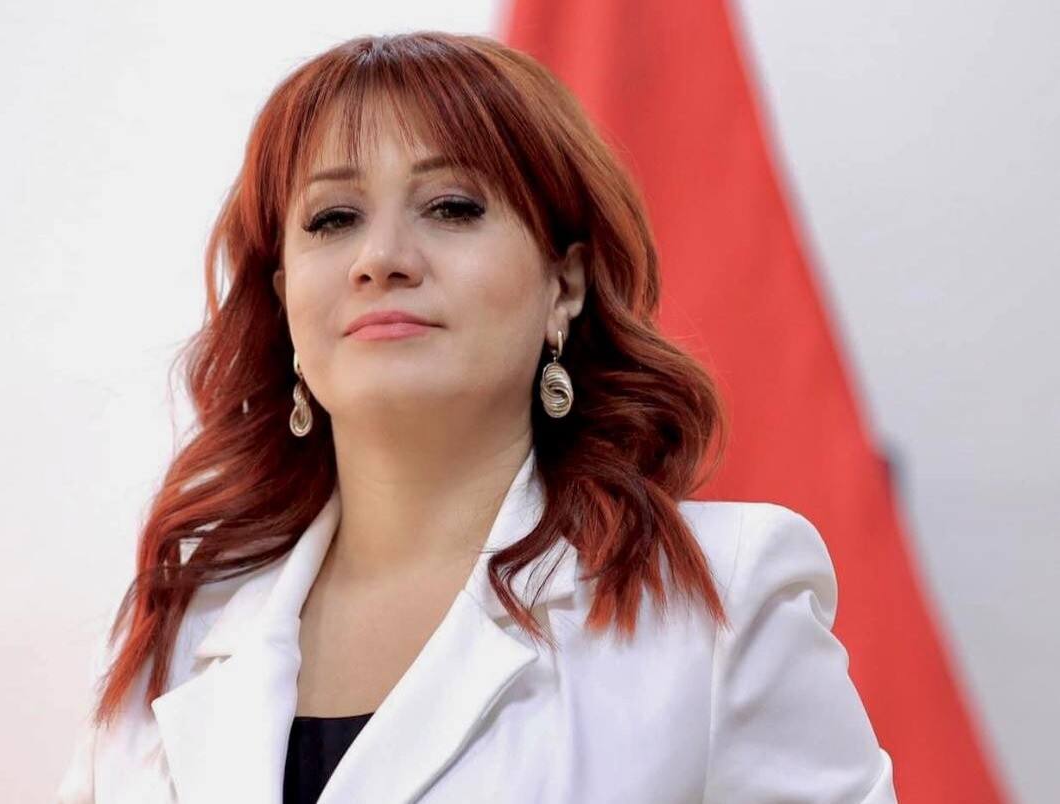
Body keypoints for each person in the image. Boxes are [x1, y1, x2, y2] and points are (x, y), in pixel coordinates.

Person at [56, 30, 898, 804]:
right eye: (333, 219)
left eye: (452, 206)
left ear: (564, 286)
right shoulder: (171, 631)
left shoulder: (722, 599)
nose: (382, 259)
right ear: (284, 300)